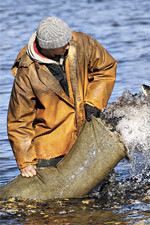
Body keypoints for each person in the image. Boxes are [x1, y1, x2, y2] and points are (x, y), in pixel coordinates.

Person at [7, 17, 117, 178]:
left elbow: (106, 67)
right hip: (51, 145)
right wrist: (25, 162)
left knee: (104, 185)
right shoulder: (27, 70)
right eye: (63, 44)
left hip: (86, 132)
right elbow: (19, 120)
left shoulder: (81, 42)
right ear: (48, 48)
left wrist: (93, 101)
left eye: (68, 39)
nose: (69, 44)